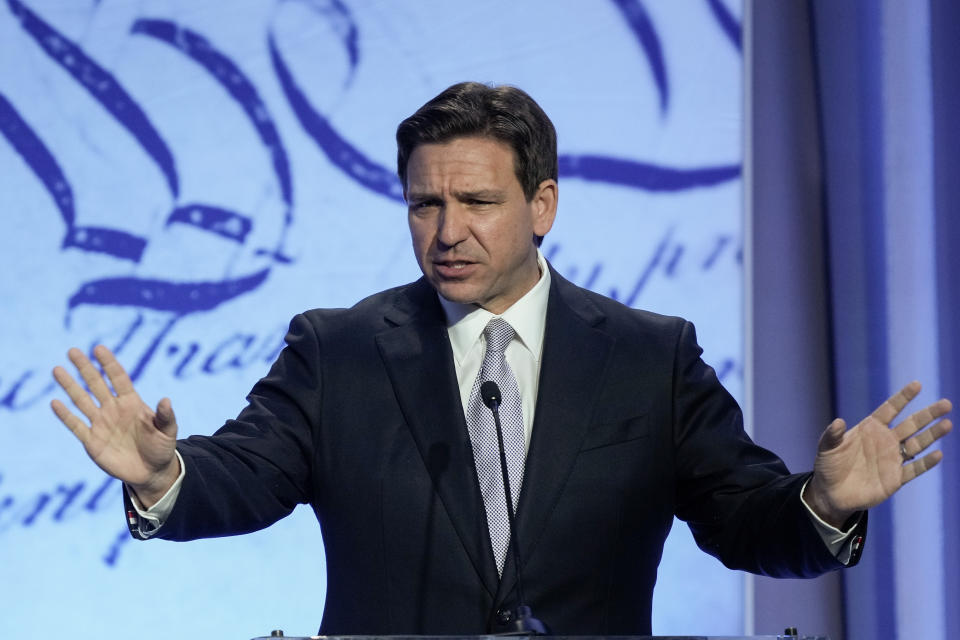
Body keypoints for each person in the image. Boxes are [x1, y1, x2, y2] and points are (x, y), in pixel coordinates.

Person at [51, 82, 953, 635]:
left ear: (543, 203)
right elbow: (246, 475)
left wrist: (822, 503)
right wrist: (167, 474)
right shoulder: (340, 351)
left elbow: (743, 519)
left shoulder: (650, 356)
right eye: (422, 205)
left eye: (476, 200)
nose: (446, 232)